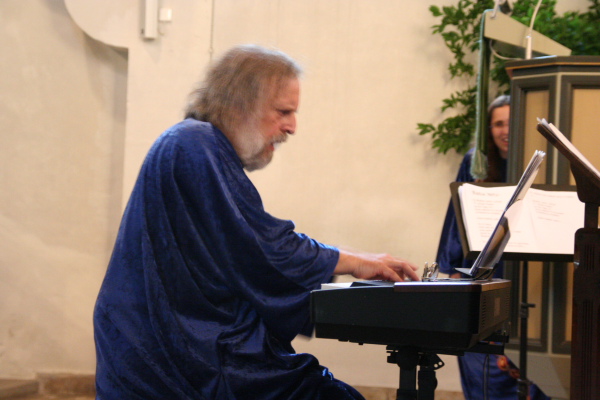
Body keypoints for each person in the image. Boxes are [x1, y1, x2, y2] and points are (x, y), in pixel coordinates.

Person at [93, 44, 420, 400]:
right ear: (240, 103)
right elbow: (259, 244)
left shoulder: (197, 144)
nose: (292, 127)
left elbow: (243, 247)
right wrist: (354, 261)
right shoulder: (194, 143)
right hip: (177, 352)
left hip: (185, 339)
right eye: (283, 111)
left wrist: (349, 258)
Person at [435, 95, 550, 400]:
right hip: (485, 272)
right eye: (498, 124)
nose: (505, 131)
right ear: (488, 129)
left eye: (511, 123)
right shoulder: (476, 161)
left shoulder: (540, 160)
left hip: (529, 273)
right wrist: (454, 272)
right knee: (485, 367)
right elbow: (456, 220)